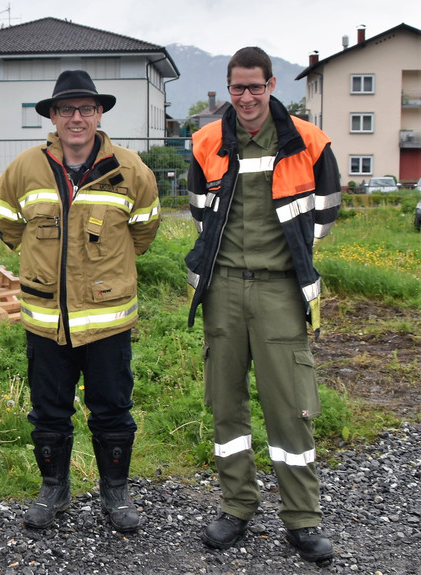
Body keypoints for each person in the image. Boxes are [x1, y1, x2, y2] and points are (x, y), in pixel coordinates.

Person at [185, 47, 340, 564]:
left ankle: (302, 518)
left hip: (279, 290)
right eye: (238, 87)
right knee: (226, 405)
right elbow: (200, 213)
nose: (247, 97)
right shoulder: (206, 142)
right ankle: (236, 507)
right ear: (228, 88)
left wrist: (288, 257)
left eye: (256, 86)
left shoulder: (309, 141)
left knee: (290, 407)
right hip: (224, 290)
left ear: (271, 85)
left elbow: (325, 214)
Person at [0, 70, 160, 532]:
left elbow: (144, 229)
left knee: (113, 409)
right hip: (46, 319)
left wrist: (109, 268)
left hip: (108, 320)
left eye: (86, 108)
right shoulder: (24, 169)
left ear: (99, 113)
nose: (76, 118)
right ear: (53, 116)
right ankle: (54, 489)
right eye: (66, 109)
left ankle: (116, 493)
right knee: (49, 411)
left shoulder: (130, 169)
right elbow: (8, 224)